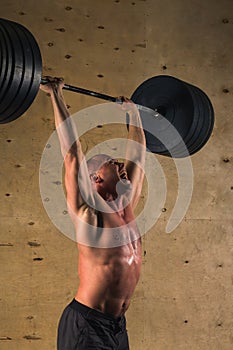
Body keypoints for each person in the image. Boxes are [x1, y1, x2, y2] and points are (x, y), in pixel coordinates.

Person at [40, 77, 146, 350]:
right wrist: (55, 95)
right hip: (88, 325)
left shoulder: (126, 206)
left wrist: (133, 113)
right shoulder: (90, 216)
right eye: (113, 164)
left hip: (117, 326)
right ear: (96, 179)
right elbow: (73, 154)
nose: (122, 166)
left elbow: (138, 154)